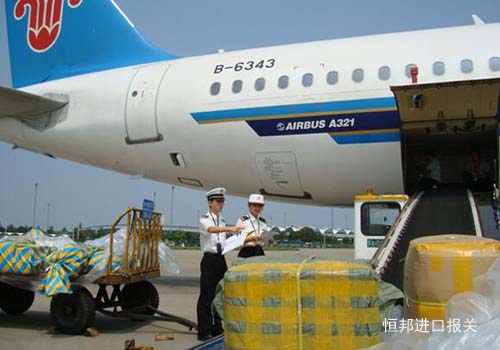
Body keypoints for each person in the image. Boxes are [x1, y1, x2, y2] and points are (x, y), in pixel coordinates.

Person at [196, 187, 241, 341]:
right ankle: (204, 331)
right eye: (218, 201)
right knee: (207, 296)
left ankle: (216, 328)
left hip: (221, 259)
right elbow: (211, 229)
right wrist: (230, 228)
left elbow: (223, 241)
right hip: (209, 260)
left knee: (220, 294)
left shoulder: (221, 220)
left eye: (222, 201)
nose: (221, 204)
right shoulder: (204, 219)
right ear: (210, 203)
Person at [236, 194, 271, 258]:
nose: (257, 208)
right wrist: (250, 239)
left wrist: (269, 239)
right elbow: (236, 240)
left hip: (259, 251)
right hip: (246, 251)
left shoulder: (263, 222)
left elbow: (267, 240)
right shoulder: (242, 221)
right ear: (249, 206)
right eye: (254, 205)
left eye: (260, 206)